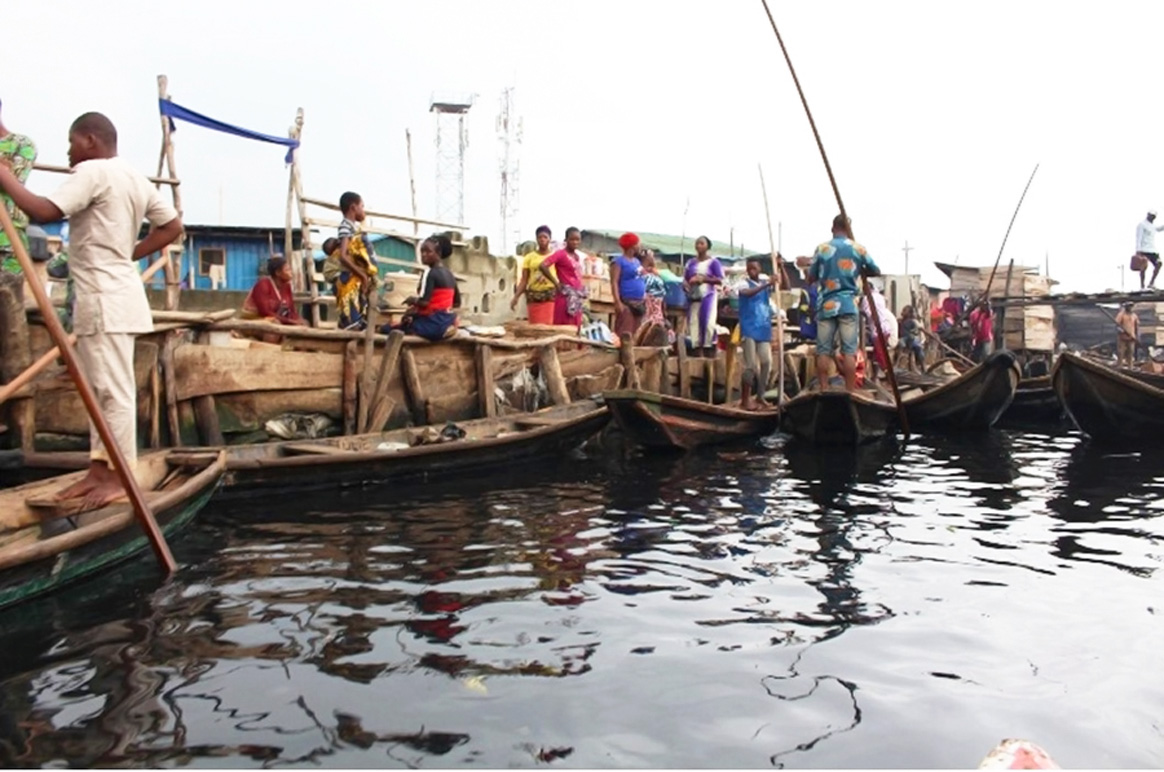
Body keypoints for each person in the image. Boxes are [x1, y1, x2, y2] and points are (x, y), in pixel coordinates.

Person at [0, 112, 182, 509]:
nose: (68, 153)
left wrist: (6, 178)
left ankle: (119, 477)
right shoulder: (132, 176)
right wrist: (125, 254)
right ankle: (99, 470)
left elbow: (45, 212)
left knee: (112, 392)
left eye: (71, 144)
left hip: (105, 299)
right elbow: (171, 227)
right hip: (111, 295)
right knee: (100, 391)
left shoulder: (95, 171)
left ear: (89, 140)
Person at [808, 214, 880, 392]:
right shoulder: (858, 249)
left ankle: (823, 388)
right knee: (849, 351)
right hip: (848, 304)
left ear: (833, 228)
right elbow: (876, 270)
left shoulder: (822, 249)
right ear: (849, 230)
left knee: (823, 350)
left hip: (827, 305)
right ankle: (850, 390)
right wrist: (859, 270)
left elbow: (811, 277)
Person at [390, 234, 461, 341]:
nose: (423, 255)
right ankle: (448, 326)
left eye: (428, 252)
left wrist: (412, 300)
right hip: (446, 319)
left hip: (433, 323)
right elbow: (457, 302)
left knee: (391, 328)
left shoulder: (431, 273)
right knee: (410, 317)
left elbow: (424, 302)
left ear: (438, 253)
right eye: (422, 251)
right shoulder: (450, 274)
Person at [736, 257, 784, 410]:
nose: (751, 271)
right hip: (749, 328)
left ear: (760, 269)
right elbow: (748, 293)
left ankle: (760, 396)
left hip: (763, 329)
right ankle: (745, 400)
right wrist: (767, 284)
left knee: (766, 363)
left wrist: (781, 268)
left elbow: (785, 286)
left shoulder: (765, 284)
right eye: (749, 269)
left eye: (754, 268)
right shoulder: (743, 283)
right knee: (750, 366)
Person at [0, 100, 37, 275]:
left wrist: (4, 172)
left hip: (8, 245)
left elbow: (12, 182)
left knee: (9, 301)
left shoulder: (21, 144)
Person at [334, 191, 377, 330]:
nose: (363, 211)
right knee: (352, 321)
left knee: (358, 318)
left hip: (355, 278)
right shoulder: (346, 227)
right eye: (362, 206)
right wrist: (362, 275)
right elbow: (343, 256)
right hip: (350, 279)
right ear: (353, 208)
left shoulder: (353, 227)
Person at [242, 256, 307, 340]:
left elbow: (291, 310)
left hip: (279, 319)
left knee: (305, 324)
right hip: (256, 319)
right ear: (278, 273)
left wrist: (298, 320)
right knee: (274, 326)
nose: (291, 272)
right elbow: (265, 312)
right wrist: (290, 322)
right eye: (287, 270)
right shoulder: (263, 284)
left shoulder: (286, 287)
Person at [683, 235, 724, 357]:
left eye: (702, 243)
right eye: (697, 243)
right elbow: (685, 278)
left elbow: (720, 279)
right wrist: (686, 285)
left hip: (708, 296)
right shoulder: (690, 262)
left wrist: (704, 279)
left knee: (708, 322)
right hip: (693, 296)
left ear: (707, 247)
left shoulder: (713, 262)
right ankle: (696, 349)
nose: (699, 246)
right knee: (694, 322)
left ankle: (708, 348)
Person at [539, 226, 587, 328]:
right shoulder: (560, 254)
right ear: (566, 240)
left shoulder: (577, 257)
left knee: (576, 327)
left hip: (576, 297)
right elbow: (543, 266)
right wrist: (556, 283)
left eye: (577, 240)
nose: (575, 242)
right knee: (564, 326)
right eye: (572, 239)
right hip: (565, 297)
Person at [511, 225, 557, 324]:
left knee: (548, 326)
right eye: (540, 237)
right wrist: (516, 297)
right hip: (534, 296)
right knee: (535, 326)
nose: (542, 240)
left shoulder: (555, 256)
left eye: (545, 237)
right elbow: (524, 280)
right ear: (536, 239)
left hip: (550, 296)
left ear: (550, 239)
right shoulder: (529, 258)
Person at [610, 232, 646, 338]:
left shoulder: (636, 262)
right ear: (632, 246)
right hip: (626, 303)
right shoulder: (619, 262)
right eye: (638, 243)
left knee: (636, 333)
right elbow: (614, 282)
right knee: (625, 331)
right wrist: (617, 302)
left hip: (639, 303)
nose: (640, 246)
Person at [860, 279, 897, 377]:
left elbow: (868, 313)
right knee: (879, 353)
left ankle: (886, 373)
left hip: (878, 330)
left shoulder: (867, 299)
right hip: (885, 328)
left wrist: (859, 311)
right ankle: (879, 374)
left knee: (879, 354)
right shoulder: (880, 297)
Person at [636, 249, 668, 346]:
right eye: (652, 256)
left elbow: (662, 291)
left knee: (657, 329)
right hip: (649, 303)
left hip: (657, 305)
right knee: (647, 328)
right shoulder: (640, 271)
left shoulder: (652, 271)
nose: (654, 259)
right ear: (646, 258)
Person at [1135, 210, 1164, 289]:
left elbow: (1159, 229)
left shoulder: (1152, 226)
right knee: (1143, 268)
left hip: (1152, 249)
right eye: (1151, 216)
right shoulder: (1142, 225)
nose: (1152, 218)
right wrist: (1138, 250)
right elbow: (1138, 237)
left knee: (1159, 263)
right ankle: (1142, 286)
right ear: (1148, 215)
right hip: (1143, 249)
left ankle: (1151, 283)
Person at [898, 305, 925, 372]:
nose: (902, 312)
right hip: (904, 338)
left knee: (918, 348)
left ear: (910, 313)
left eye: (905, 311)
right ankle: (900, 361)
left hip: (911, 338)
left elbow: (918, 329)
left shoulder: (913, 321)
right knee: (901, 343)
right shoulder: (901, 321)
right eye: (903, 310)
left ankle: (923, 367)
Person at [1115, 301, 1139, 368]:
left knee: (1130, 352)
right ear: (1126, 307)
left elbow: (1136, 326)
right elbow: (1117, 325)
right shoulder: (1121, 315)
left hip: (1131, 337)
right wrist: (1122, 331)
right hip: (1122, 337)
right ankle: (1119, 366)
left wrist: (1136, 336)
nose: (1130, 308)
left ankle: (1130, 367)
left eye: (1131, 306)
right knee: (1121, 352)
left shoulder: (1134, 316)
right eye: (1129, 306)